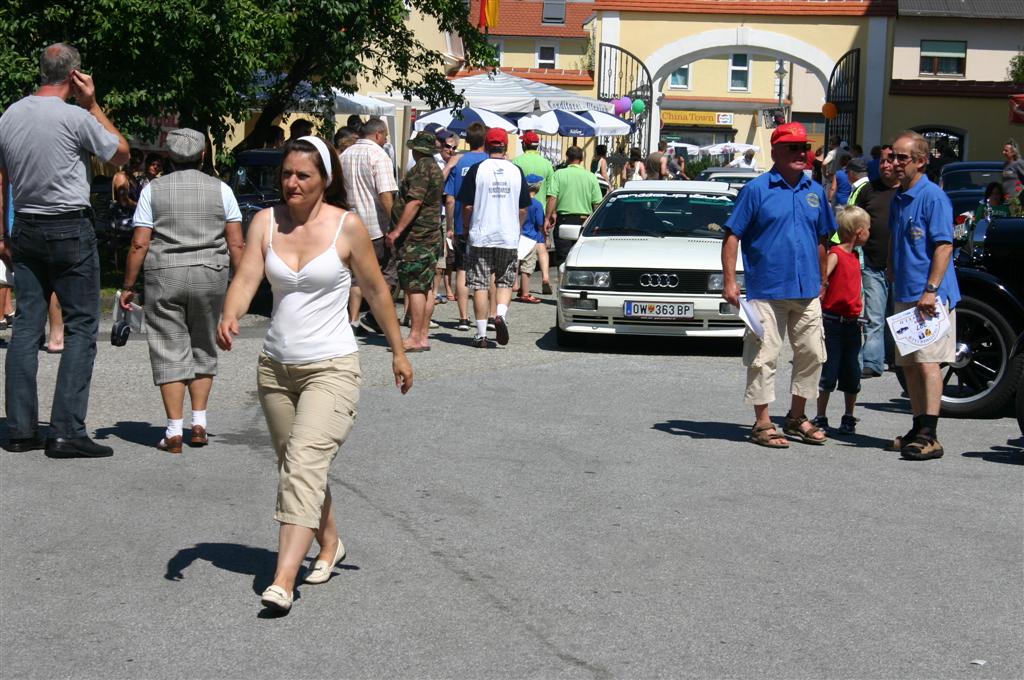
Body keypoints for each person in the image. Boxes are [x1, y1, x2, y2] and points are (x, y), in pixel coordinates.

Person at [216, 135, 412, 613]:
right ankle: (329, 544)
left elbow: (378, 292)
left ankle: (283, 579)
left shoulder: (347, 227)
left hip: (332, 367)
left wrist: (398, 352)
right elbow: (246, 278)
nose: (292, 183)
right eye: (286, 174)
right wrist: (230, 313)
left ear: (325, 179)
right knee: (299, 467)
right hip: (276, 369)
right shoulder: (265, 222)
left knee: (303, 465)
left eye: (303, 175)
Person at [0, 42, 129, 457]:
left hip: (27, 226)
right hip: (69, 226)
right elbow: (120, 152)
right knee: (80, 328)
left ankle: (20, 429)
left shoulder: (10, 115)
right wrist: (92, 104)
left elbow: (1, 179)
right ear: (75, 76)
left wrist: (2, 233)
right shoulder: (76, 117)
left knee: (25, 328)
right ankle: (66, 430)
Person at [118, 128, 244, 452]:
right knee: (204, 344)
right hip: (210, 274)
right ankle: (199, 424)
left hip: (165, 274)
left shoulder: (152, 190)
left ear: (170, 158)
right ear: (203, 155)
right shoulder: (222, 190)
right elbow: (235, 242)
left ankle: (174, 431)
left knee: (168, 348)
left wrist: (128, 285)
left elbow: (140, 242)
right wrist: (243, 283)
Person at [721, 122, 836, 449]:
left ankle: (797, 417)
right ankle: (762, 422)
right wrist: (731, 281)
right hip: (766, 290)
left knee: (813, 353)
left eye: (805, 148)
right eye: (793, 148)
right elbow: (732, 237)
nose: (802, 154)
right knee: (764, 357)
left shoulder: (814, 192)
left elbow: (822, 240)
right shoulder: (757, 189)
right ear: (776, 152)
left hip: (807, 289)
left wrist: (824, 279)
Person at [887, 130, 960, 461]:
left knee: (929, 363)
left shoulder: (932, 197)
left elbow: (944, 244)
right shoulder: (900, 197)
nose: (896, 163)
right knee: (911, 366)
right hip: (906, 294)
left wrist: (931, 289)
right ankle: (918, 428)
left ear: (921, 161)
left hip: (928, 296)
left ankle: (931, 435)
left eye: (903, 157)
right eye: (893, 157)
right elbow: (896, 243)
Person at [456, 128, 531, 348]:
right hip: (507, 235)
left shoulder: (478, 170)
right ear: (506, 146)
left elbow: (467, 205)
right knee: (505, 280)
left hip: (481, 234)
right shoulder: (517, 171)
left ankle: (480, 335)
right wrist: (516, 227)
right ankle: (500, 315)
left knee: (479, 284)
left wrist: (467, 226)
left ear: (487, 146)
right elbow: (524, 208)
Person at [813, 205, 870, 435]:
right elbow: (824, 277)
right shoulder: (836, 254)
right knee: (829, 370)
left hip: (853, 322)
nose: (870, 232)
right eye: (868, 228)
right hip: (833, 321)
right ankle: (821, 415)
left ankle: (849, 416)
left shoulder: (857, 256)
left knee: (851, 371)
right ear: (858, 231)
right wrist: (822, 287)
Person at [385, 132, 444, 352]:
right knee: (426, 287)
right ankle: (422, 334)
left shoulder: (421, 169)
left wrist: (397, 231)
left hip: (416, 238)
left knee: (415, 288)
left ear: (416, 149)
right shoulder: (434, 168)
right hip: (428, 235)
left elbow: (415, 201)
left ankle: (415, 337)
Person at [340, 118, 398, 334]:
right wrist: (393, 222)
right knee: (386, 273)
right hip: (375, 226)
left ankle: (353, 320)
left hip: (351, 226)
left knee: (355, 275)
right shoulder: (378, 155)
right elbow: (385, 193)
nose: (385, 141)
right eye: (385, 137)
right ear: (378, 135)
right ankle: (376, 315)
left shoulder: (345, 155)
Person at [855, 145, 900, 378]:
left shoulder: (907, 191)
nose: (885, 165)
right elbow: (853, 220)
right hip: (873, 265)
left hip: (902, 268)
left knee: (899, 315)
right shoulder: (868, 190)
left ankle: (896, 359)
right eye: (882, 161)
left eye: (890, 160)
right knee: (875, 316)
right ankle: (872, 361)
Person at [444, 122, 489, 329]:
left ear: (467, 140)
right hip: (487, 224)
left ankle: (463, 317)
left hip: (463, 224)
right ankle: (489, 316)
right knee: (489, 271)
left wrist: (451, 226)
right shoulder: (491, 161)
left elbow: (450, 199)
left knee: (462, 269)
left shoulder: (458, 161)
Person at [546, 146, 603, 268]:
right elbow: (597, 203)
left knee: (563, 259)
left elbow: (552, 198)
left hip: (564, 220)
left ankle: (561, 283)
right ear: (582, 159)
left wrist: (547, 217)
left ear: (567, 158)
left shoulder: (558, 174)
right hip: (584, 221)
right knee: (582, 257)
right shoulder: (591, 177)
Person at [517, 174, 547, 303]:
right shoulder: (537, 205)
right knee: (527, 268)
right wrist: (544, 237)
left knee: (516, 263)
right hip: (531, 237)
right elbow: (540, 223)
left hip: (518, 236)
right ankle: (525, 293)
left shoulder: (518, 201)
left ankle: (515, 285)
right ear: (538, 187)